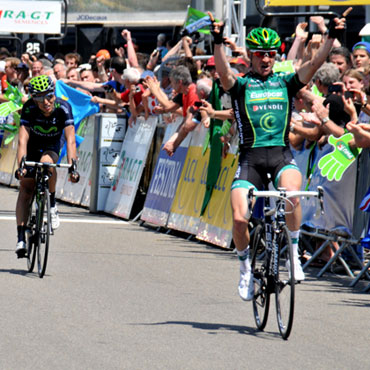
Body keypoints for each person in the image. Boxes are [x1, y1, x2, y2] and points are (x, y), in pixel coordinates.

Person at [209, 12, 346, 301]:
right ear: (250, 55)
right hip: (250, 160)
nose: (266, 59)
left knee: (292, 194)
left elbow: (315, 63)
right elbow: (223, 72)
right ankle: (245, 268)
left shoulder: (285, 83)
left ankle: (294, 256)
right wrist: (218, 41)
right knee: (238, 218)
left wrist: (331, 36)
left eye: (271, 54)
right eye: (260, 54)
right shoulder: (242, 86)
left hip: (281, 155)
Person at [15, 75, 80, 258]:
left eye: (49, 96)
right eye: (40, 98)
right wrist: (22, 166)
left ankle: (51, 204)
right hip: (33, 145)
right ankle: (21, 237)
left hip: (52, 144)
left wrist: (73, 167)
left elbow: (70, 140)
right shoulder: (28, 109)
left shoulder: (63, 108)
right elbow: (22, 140)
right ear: (33, 98)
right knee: (26, 190)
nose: (46, 102)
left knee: (47, 163)